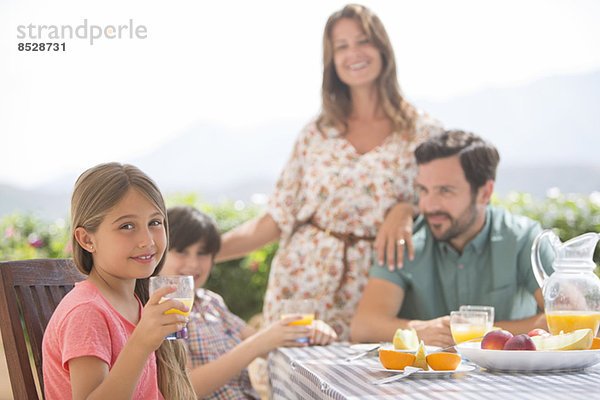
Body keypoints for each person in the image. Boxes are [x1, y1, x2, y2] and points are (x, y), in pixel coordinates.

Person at [216, 3, 443, 340]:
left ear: (383, 47)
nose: (354, 53)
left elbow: (448, 202)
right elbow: (275, 219)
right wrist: (193, 255)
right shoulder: (316, 133)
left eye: (363, 40)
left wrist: (407, 209)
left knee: (372, 384)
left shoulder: (424, 131)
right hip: (301, 283)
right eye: (341, 46)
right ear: (332, 60)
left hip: (380, 290)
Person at [351, 130, 555, 347]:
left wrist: (476, 332)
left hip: (510, 377)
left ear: (485, 193)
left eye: (445, 191)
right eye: (424, 190)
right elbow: (363, 326)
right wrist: (419, 330)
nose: (428, 205)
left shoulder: (524, 239)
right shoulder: (404, 239)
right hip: (422, 379)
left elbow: (569, 318)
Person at [42, 163, 196, 399]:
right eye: (127, 226)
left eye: (155, 222)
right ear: (86, 239)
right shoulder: (86, 312)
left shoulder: (137, 302)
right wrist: (141, 343)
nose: (147, 240)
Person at [160, 206, 337, 399]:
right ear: (159, 251)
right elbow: (185, 389)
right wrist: (259, 344)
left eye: (202, 253)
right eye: (182, 251)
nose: (194, 263)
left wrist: (310, 332)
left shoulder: (211, 302)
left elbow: (269, 345)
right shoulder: (163, 311)